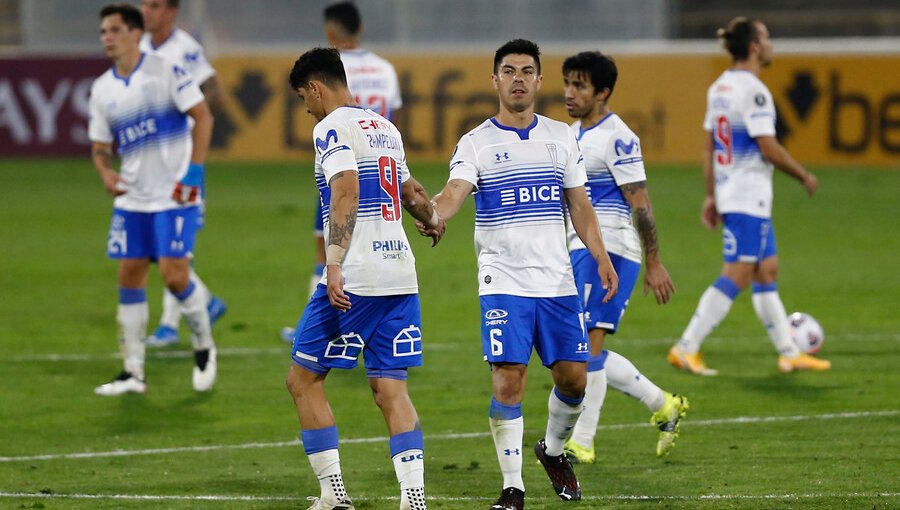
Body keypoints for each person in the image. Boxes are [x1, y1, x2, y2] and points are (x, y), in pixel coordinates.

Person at [424, 39, 618, 510]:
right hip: (504, 280)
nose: (517, 78)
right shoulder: (476, 142)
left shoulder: (560, 137)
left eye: (526, 71)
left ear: (538, 80)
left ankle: (551, 451)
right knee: (508, 380)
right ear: (494, 80)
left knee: (576, 380)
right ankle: (513, 488)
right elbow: (454, 191)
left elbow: (580, 206)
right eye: (508, 71)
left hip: (556, 282)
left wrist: (602, 255)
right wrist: (435, 213)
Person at [285, 47, 444, 510]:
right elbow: (411, 191)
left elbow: (346, 188)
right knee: (390, 388)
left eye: (303, 98)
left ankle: (333, 494)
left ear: (315, 87)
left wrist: (332, 262)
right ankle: (413, 499)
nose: (307, 109)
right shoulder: (385, 127)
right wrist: (431, 217)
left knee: (303, 381)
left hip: (357, 277)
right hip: (400, 273)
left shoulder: (330, 127)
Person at [668, 17, 831, 375]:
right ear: (755, 46)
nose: (771, 44)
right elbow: (768, 147)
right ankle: (686, 346)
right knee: (739, 274)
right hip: (747, 196)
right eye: (767, 37)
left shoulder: (719, 88)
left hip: (733, 192)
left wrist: (711, 195)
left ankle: (789, 352)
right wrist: (803, 175)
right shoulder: (754, 92)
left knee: (765, 270)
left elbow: (709, 147)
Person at [556, 51, 689, 463]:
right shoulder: (571, 134)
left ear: (603, 92)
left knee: (587, 347)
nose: (569, 92)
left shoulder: (619, 136)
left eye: (579, 85)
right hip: (578, 249)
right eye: (568, 83)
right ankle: (662, 404)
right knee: (577, 348)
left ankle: (584, 441)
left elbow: (641, 203)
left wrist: (653, 260)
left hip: (612, 250)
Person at [88, 3, 217, 395]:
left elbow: (204, 116)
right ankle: (132, 372)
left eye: (113, 30)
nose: (107, 37)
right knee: (129, 275)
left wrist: (193, 171)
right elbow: (99, 146)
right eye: (103, 32)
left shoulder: (165, 69)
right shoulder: (102, 89)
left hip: (175, 193)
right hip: (132, 199)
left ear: (133, 32)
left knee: (176, 276)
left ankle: (204, 346)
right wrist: (106, 172)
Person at [282, 0, 404, 343]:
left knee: (328, 249)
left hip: (344, 168)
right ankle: (362, 322)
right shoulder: (385, 70)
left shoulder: (330, 69)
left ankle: (319, 323)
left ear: (331, 32)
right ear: (360, 28)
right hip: (383, 169)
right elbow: (393, 117)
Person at [139, 0, 227, 347]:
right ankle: (206, 301)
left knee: (174, 247)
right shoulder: (141, 47)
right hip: (151, 159)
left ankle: (168, 324)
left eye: (155, 5)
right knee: (159, 245)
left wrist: (190, 115)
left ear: (171, 12)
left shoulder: (185, 49)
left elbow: (215, 93)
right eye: (144, 4)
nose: (146, 11)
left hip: (184, 159)